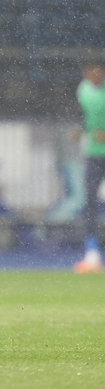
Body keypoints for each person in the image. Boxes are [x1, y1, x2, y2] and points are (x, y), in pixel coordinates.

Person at [74, 60, 105, 273]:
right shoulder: (83, 91)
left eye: (98, 72)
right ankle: (92, 254)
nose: (94, 75)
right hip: (93, 155)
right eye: (90, 72)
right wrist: (79, 129)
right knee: (90, 203)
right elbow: (82, 116)